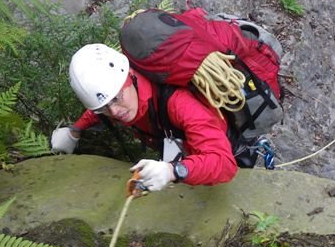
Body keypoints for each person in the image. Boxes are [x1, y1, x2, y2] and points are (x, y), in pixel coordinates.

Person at [50, 43, 238, 191]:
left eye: (116, 99)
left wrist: (174, 171)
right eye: (104, 108)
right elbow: (100, 106)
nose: (115, 112)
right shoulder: (120, 95)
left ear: (130, 76)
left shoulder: (179, 104)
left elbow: (224, 163)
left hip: (221, 143)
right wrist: (74, 131)